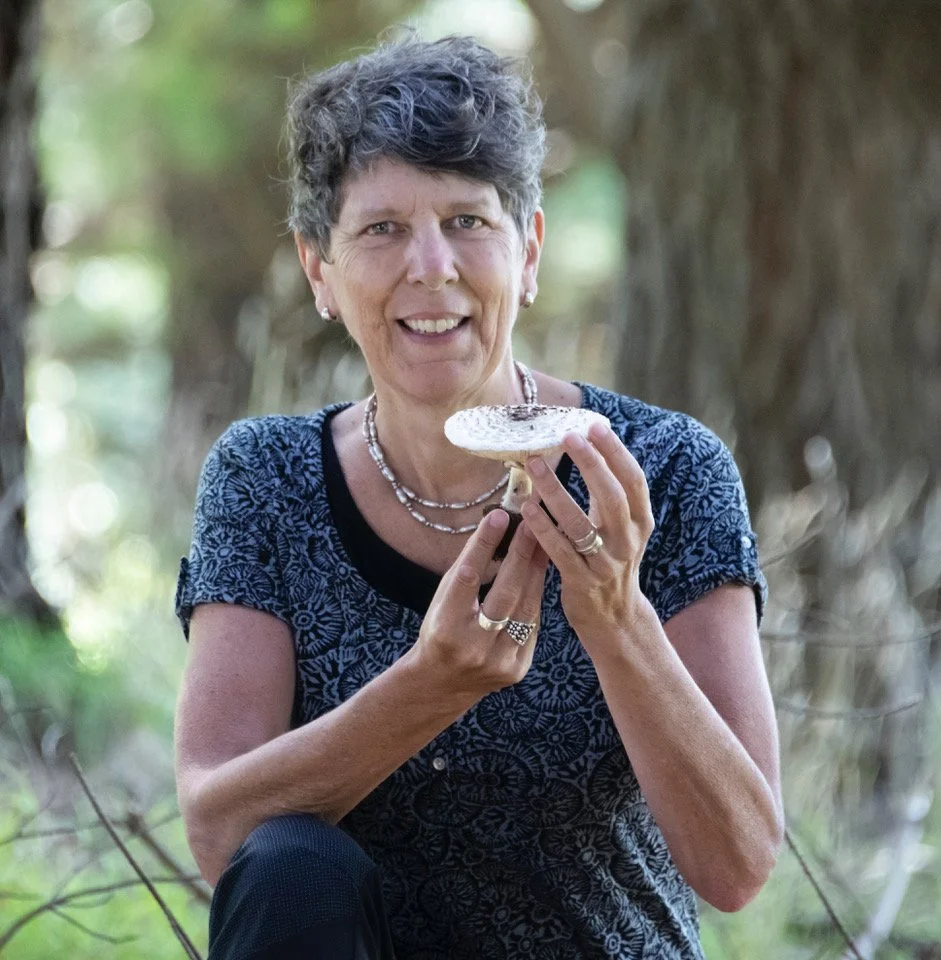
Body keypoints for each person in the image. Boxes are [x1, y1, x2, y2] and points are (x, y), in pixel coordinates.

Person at [173, 33, 783, 960]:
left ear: (528, 250)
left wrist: (616, 616)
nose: (433, 266)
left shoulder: (664, 466)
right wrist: (429, 687)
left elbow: (738, 866)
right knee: (289, 863)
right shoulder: (267, 478)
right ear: (318, 271)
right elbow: (221, 836)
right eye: (381, 228)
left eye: (468, 221)